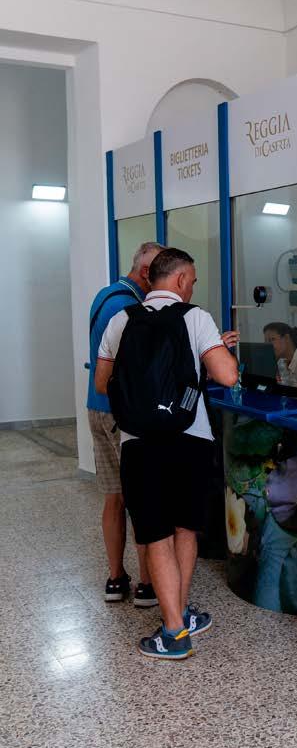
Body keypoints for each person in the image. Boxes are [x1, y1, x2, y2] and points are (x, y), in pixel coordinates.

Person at [95, 248, 239, 660]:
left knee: (155, 534)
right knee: (185, 529)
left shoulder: (121, 320)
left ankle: (174, 628)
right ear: (179, 280)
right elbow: (227, 375)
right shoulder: (196, 317)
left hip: (139, 443)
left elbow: (103, 383)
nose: (192, 287)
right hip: (191, 439)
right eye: (192, 280)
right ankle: (180, 619)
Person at [87, 240, 164, 607]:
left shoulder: (104, 295)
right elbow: (135, 367)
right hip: (122, 414)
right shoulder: (130, 307)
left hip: (97, 408)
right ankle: (148, 585)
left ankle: (116, 579)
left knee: (114, 497)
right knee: (141, 498)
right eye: (162, 274)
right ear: (146, 272)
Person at [263, 322, 297, 389]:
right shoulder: (281, 363)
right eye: (266, 341)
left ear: (286, 338)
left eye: (272, 339)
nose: (267, 345)